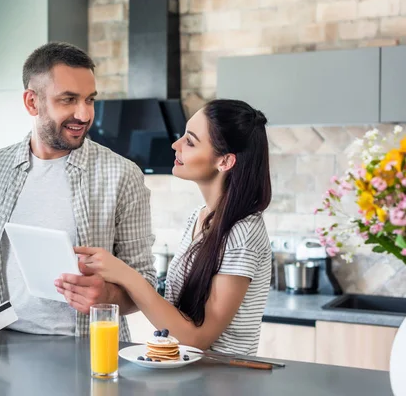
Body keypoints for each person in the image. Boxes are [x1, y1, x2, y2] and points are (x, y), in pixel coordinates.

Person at [0, 42, 156, 344]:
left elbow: (145, 283)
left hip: (89, 352)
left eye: (90, 100)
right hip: (0, 348)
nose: (84, 114)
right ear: (32, 103)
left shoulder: (122, 175)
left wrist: (107, 295)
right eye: (68, 100)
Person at [61, 99, 272, 356]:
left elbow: (197, 338)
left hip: (224, 381)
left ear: (225, 161)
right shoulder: (200, 217)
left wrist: (124, 274)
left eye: (190, 141)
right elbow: (177, 318)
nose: (176, 145)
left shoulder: (243, 232)